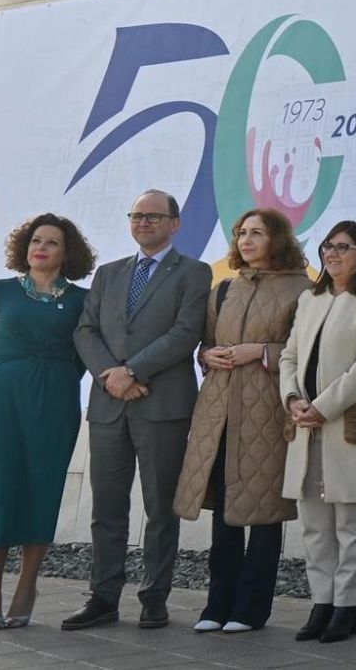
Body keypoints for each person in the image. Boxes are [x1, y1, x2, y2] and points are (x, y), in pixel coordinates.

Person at [68, 190, 213, 630]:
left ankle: (155, 597)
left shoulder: (194, 272)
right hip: (108, 404)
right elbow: (85, 330)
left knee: (159, 508)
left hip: (162, 407)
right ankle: (103, 597)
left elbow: (186, 332)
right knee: (107, 509)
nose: (144, 222)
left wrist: (132, 371)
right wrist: (111, 374)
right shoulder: (109, 274)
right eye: (137, 215)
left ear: (175, 223)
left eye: (154, 216)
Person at [171, 209, 311, 633]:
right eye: (241, 233)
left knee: (265, 511)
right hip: (218, 408)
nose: (246, 240)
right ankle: (217, 605)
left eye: (257, 233)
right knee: (223, 508)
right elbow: (209, 343)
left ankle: (251, 609)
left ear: (278, 239)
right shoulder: (224, 288)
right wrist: (205, 355)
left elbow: (304, 349)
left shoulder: (303, 289)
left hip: (268, 410)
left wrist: (262, 352)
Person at [280, 221, 356, 644]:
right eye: (328, 246)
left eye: (343, 247)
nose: (332, 254)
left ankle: (347, 607)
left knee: (351, 522)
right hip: (305, 425)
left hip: (348, 425)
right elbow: (289, 357)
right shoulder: (309, 299)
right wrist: (293, 398)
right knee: (314, 522)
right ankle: (322, 603)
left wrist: (323, 406)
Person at [0, 214, 96, 630]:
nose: (40, 247)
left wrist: (52, 376)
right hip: (3, 396)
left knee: (43, 484)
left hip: (57, 397)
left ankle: (28, 584)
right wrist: (12, 373)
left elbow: (85, 355)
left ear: (67, 254)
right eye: (35, 240)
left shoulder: (83, 299)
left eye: (51, 242)